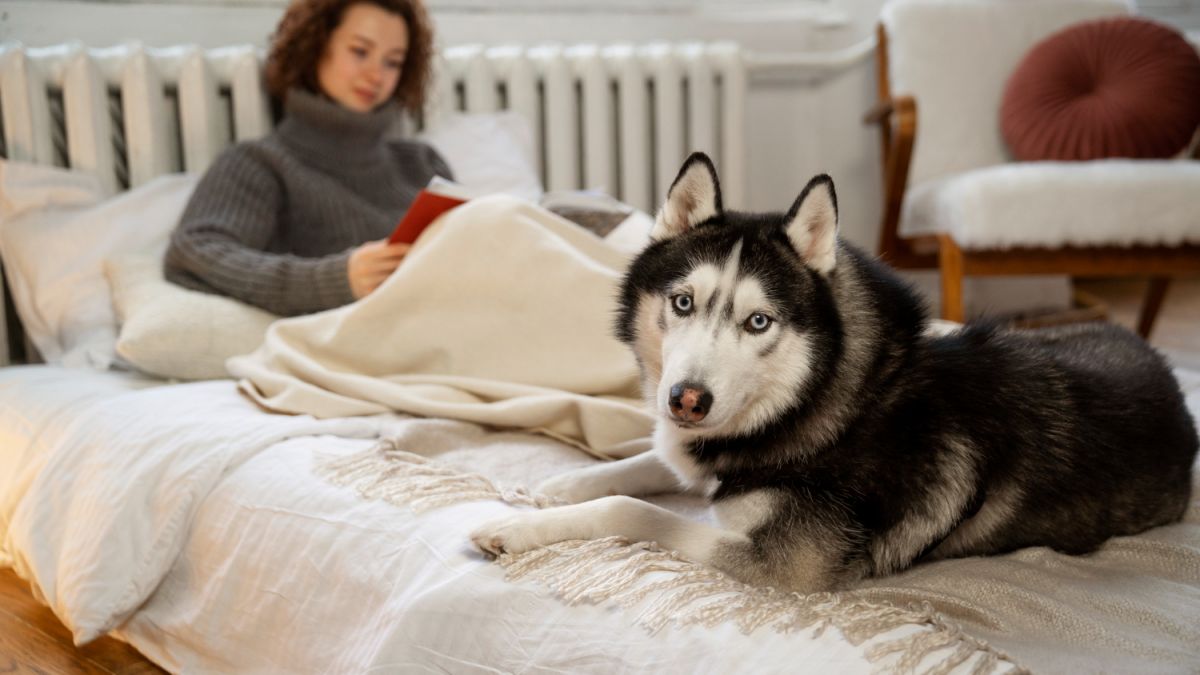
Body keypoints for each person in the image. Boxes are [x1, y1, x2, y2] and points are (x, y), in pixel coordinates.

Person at [164, 0, 452, 316]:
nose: (376, 74)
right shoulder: (260, 164)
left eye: (393, 62)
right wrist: (334, 280)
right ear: (316, 46)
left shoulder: (422, 163)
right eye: (359, 51)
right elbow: (193, 253)